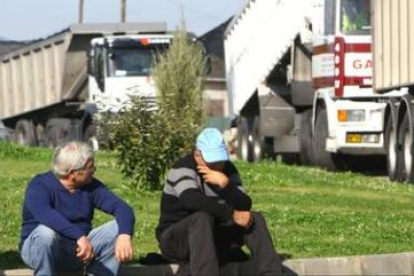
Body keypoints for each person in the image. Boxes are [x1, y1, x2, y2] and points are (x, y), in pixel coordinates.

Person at [156, 128, 283, 276]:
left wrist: (226, 186)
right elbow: (192, 201)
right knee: (202, 217)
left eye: (220, 161)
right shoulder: (182, 168)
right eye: (212, 162)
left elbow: (244, 206)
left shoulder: (227, 169)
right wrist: (231, 215)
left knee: (254, 219)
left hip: (210, 239)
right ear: (197, 155)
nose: (217, 167)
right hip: (175, 241)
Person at [20, 141, 135, 276]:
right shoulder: (40, 185)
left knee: (118, 228)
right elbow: (45, 215)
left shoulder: (91, 186)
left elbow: (122, 208)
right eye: (90, 166)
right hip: (41, 250)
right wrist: (79, 235)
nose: (94, 169)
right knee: (45, 233)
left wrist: (124, 235)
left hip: (80, 251)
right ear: (74, 173)